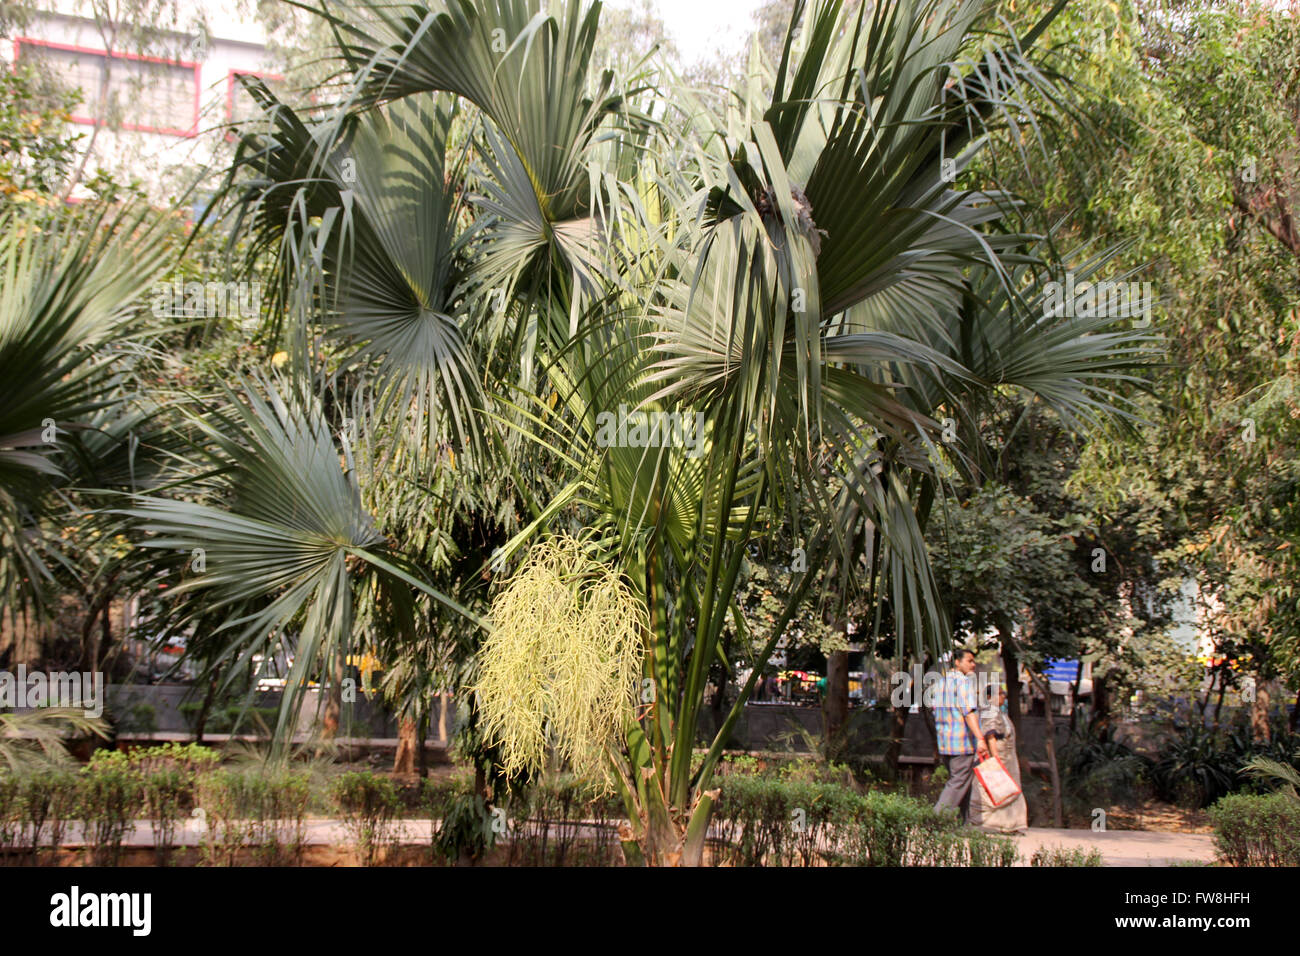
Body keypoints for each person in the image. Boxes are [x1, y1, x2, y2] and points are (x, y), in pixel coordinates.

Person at [933, 649, 988, 822]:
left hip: (946, 743)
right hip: (962, 743)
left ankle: (965, 823)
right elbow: (969, 713)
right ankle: (936, 819)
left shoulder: (940, 684)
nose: (973, 664)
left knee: (962, 782)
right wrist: (980, 738)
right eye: (969, 661)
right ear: (957, 662)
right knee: (958, 783)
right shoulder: (963, 683)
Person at [969, 683, 1028, 833]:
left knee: (1009, 789)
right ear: (989, 697)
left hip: (1007, 756)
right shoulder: (990, 711)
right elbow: (990, 735)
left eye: (1004, 694)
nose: (1003, 696)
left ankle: (1009, 824)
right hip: (997, 756)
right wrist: (996, 759)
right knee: (994, 788)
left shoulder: (999, 712)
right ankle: (990, 824)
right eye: (1000, 694)